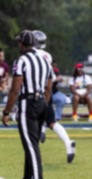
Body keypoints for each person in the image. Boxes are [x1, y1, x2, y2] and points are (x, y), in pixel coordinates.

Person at [2, 30, 52, 179]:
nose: (18, 45)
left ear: (23, 44)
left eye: (19, 42)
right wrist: (43, 103)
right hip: (41, 102)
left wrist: (6, 111)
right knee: (32, 145)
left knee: (30, 145)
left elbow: (15, 89)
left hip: (28, 103)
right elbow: (49, 87)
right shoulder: (45, 60)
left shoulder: (21, 60)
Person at [33, 30, 75, 163]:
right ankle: (68, 142)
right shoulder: (48, 56)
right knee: (52, 121)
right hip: (47, 91)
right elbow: (50, 76)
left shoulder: (30, 55)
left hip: (34, 91)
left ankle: (37, 142)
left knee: (30, 120)